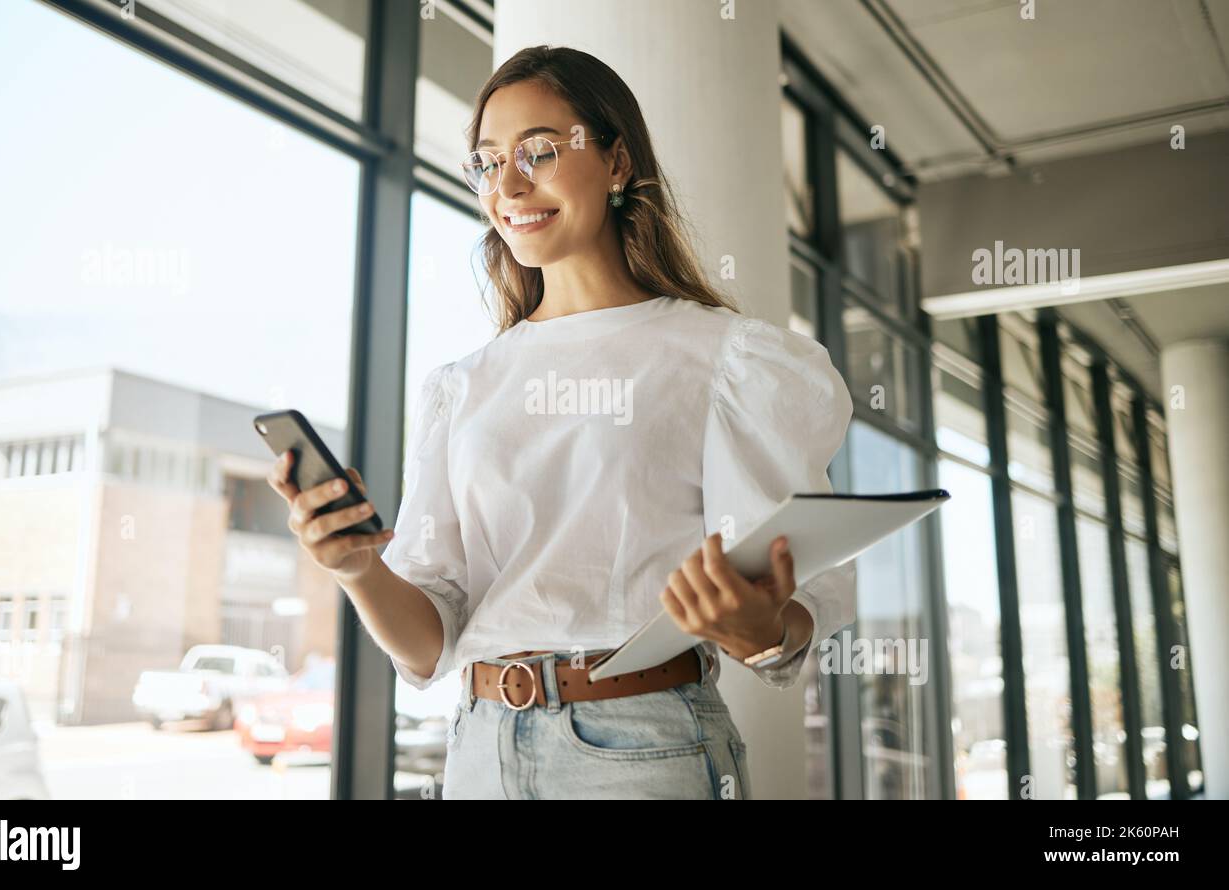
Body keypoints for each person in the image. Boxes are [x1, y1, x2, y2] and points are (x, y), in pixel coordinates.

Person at [267, 45, 855, 800]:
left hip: (642, 743)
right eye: (486, 163)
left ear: (616, 162)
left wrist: (765, 631)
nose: (507, 185)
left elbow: (811, 590)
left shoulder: (726, 359)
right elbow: (429, 640)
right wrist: (355, 569)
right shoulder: (463, 386)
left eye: (538, 152)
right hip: (479, 745)